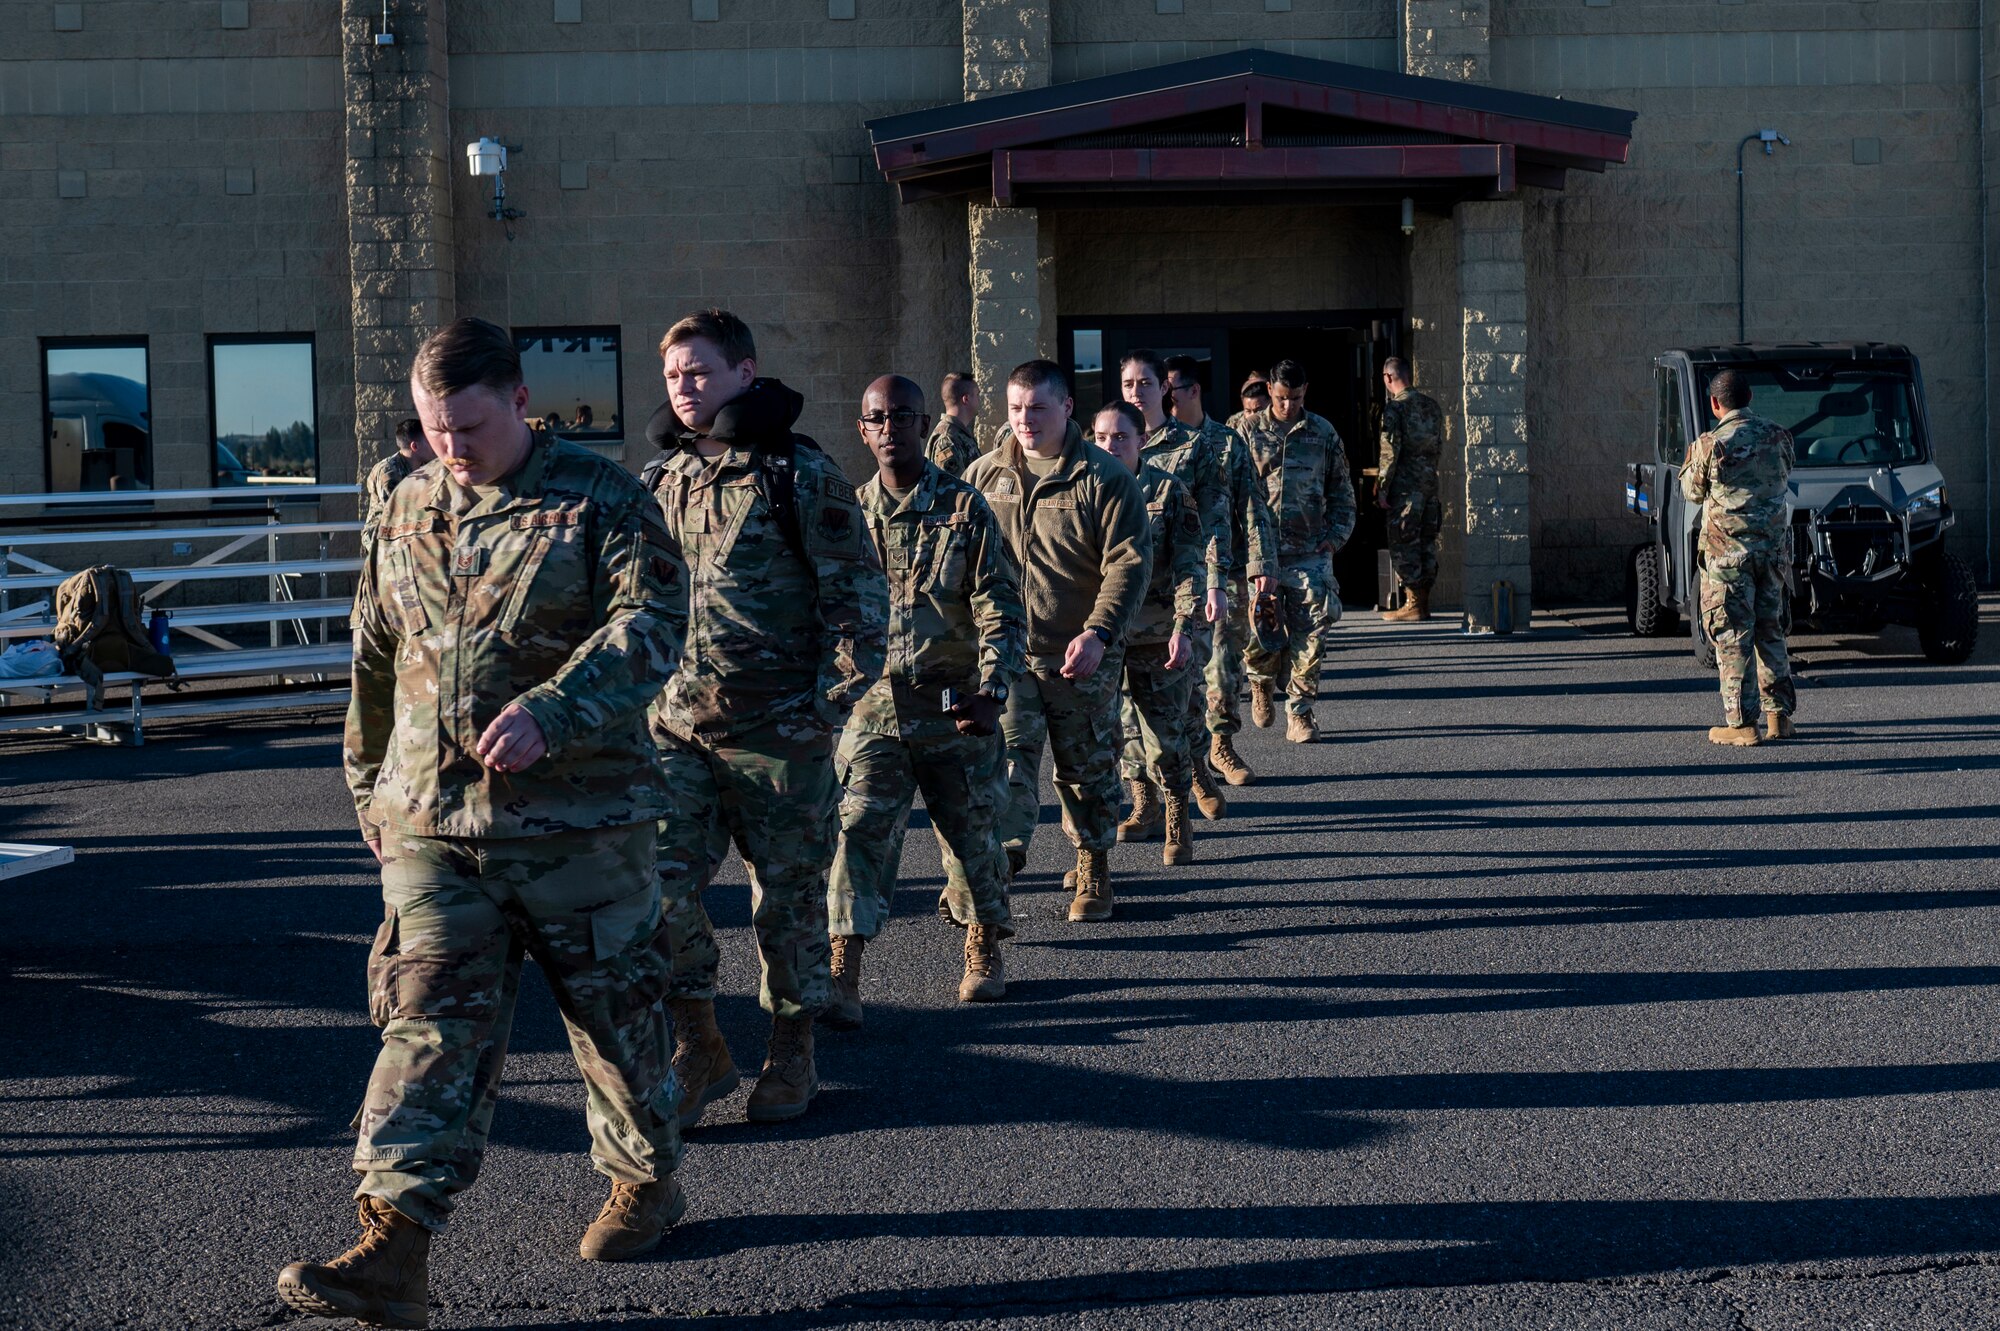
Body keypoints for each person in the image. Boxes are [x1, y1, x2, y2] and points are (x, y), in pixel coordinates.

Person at [278, 317, 691, 1328]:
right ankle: (393, 1244)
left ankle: (647, 1175)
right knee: (425, 1023)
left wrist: (556, 710)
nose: (453, 447)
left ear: (518, 400)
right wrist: (368, 787)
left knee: (616, 1028)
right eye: (433, 428)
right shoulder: (407, 504)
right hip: (432, 824)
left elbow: (652, 626)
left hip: (577, 828)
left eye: (469, 424)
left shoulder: (601, 500)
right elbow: (372, 658)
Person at [642, 309, 887, 1126]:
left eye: (701, 372)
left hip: (780, 737)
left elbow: (861, 612)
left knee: (785, 906)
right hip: (677, 733)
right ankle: (700, 1040)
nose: (685, 387)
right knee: (654, 891)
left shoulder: (799, 476)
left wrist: (820, 714)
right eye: (675, 374)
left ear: (745, 373)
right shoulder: (662, 481)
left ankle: (792, 1052)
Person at [823, 375, 1023, 1026]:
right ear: (863, 427)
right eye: (876, 418)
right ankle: (843, 966)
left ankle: (983, 943)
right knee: (858, 836)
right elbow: (827, 616)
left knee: (971, 837)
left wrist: (994, 687)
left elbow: (999, 604)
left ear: (921, 421)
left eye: (901, 417)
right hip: (876, 710)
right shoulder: (848, 515)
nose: (889, 429)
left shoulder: (964, 508)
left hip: (954, 708)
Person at [962, 361, 1149, 922]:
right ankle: (1005, 860)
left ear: (1067, 408)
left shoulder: (1104, 476)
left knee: (1085, 767)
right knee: (1008, 761)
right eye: (1016, 408)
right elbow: (962, 563)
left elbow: (1128, 564)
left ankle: (1093, 861)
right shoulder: (984, 475)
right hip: (1008, 655)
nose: (1024, 420)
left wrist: (1099, 631)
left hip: (1081, 654)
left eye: (1037, 407)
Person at [1112, 350, 1227, 841]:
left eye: (1145, 383)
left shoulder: (1196, 445)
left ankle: (1193, 771)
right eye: (1128, 383)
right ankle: (1145, 801)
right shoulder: (1097, 462)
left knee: (1181, 708)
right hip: (1117, 623)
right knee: (1124, 720)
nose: (1136, 392)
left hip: (1173, 607)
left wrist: (1215, 583)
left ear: (1166, 388)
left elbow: (1213, 520)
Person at [1095, 402, 1203, 866]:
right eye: (1101, 437)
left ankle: (1178, 817)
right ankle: (1144, 806)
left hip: (1157, 633)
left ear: (1142, 440)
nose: (1110, 446)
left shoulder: (1168, 491)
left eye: (1120, 437)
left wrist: (1183, 626)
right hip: (1103, 637)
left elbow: (1188, 563)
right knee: (1117, 732)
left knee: (1164, 732)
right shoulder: (1085, 490)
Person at [1163, 355, 1277, 794]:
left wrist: (1261, 567)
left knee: (1222, 664)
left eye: (1170, 388)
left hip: (1222, 571)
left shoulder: (1226, 443)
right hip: (1170, 576)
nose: (1163, 396)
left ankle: (1221, 744)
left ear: (1193, 390)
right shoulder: (1149, 443)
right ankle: (1179, 761)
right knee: (1176, 672)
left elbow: (1253, 508)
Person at [1235, 359, 1356, 744]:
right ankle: (1261, 681)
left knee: (1314, 629)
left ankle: (1300, 711)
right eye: (1283, 398)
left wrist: (1335, 536)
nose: (1288, 406)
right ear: (1269, 389)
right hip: (1260, 551)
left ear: (1306, 392)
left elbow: (1342, 491)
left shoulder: (1321, 432)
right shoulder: (1243, 430)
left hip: (1309, 549)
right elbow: (1224, 491)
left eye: (1297, 398)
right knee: (1260, 629)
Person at [1679, 368, 1797, 745]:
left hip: (1728, 561)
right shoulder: (1780, 436)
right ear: (1749, 399)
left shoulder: (1711, 444)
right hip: (1772, 556)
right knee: (1770, 630)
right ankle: (1779, 718)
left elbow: (1691, 492)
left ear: (1715, 403)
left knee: (1732, 636)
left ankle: (1742, 723)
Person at [1376, 357, 1446, 623]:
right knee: (1427, 542)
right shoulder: (1432, 407)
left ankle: (1414, 603)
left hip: (1405, 488)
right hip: (1429, 484)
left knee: (1404, 543)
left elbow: (1389, 452)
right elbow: (1437, 446)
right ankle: (1423, 602)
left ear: (1388, 378)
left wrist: (1382, 487)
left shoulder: (1395, 409)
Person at [361, 417, 432, 534]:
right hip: (383, 534)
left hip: (412, 528)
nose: (434, 446)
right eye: (430, 442)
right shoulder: (388, 472)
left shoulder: (426, 466)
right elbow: (395, 514)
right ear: (415, 447)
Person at [927, 371, 982, 477]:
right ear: (966, 399)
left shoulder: (957, 433)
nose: (979, 400)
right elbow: (953, 489)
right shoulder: (947, 439)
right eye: (977, 395)